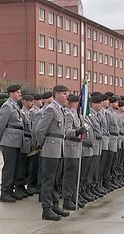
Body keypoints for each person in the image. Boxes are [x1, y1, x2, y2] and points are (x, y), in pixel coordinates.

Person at [34, 85, 70, 221]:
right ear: (57, 95)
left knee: (56, 180)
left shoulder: (60, 110)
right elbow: (39, 130)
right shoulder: (51, 109)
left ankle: (55, 205)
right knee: (48, 180)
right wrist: (44, 144)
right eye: (64, 94)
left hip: (59, 149)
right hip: (50, 149)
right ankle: (46, 209)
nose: (67, 96)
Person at [0, 84, 25, 202]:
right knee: (9, 167)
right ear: (12, 93)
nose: (20, 95)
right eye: (18, 92)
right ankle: (5, 192)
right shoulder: (7, 106)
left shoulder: (16, 106)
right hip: (9, 141)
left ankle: (10, 190)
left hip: (16, 141)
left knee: (14, 167)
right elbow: (1, 125)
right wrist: (0, 139)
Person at [62, 95, 86, 210]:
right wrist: (77, 131)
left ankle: (73, 197)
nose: (78, 104)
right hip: (70, 147)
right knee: (70, 175)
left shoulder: (77, 115)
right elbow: (66, 132)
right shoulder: (69, 114)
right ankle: (67, 198)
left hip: (77, 147)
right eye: (76, 102)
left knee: (76, 174)